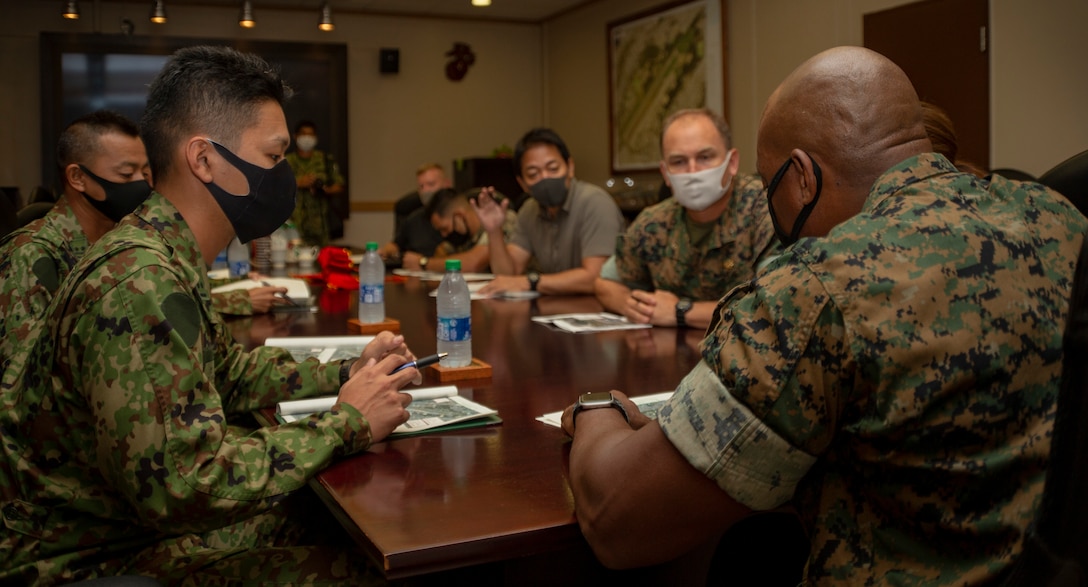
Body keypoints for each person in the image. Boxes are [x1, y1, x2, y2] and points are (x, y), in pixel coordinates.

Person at [560, 46, 1087, 585]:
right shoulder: (1059, 216)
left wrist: (597, 409)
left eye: (771, 191)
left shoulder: (817, 287)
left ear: (801, 179)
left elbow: (618, 523)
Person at [0, 45, 421, 585]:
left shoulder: (164, 250)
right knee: (369, 564)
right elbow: (184, 487)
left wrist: (347, 369)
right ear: (203, 160)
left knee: (335, 516)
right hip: (94, 556)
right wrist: (347, 423)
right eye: (273, 157)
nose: (284, 175)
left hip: (127, 525)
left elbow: (227, 372)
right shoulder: (139, 281)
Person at [0, 110, 152, 387]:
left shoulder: (122, 239)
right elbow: (23, 383)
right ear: (78, 178)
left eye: (144, 173)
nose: (141, 185)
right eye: (126, 174)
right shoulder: (30, 255)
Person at [595, 108, 780, 330]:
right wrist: (633, 307)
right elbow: (605, 284)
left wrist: (681, 312)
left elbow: (776, 302)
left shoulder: (768, 211)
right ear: (665, 173)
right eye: (679, 161)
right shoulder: (653, 222)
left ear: (732, 162)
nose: (693, 171)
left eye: (705, 157)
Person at [473, 128, 624, 296]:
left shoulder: (595, 203)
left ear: (570, 167)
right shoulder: (529, 210)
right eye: (533, 174)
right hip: (557, 310)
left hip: (600, 309)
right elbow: (509, 275)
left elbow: (596, 276)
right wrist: (494, 230)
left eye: (553, 169)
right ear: (522, 183)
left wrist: (531, 282)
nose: (545, 178)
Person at [401, 187, 518, 273]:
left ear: (459, 215)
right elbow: (442, 255)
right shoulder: (465, 239)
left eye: (445, 228)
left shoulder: (499, 219)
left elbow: (473, 264)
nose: (444, 235)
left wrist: (424, 262)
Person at [286, 120, 345, 247]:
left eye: (310, 134)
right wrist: (298, 183)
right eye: (303, 134)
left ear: (316, 137)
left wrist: (324, 190)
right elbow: (274, 188)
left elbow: (339, 185)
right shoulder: (286, 161)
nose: (307, 137)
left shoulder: (325, 159)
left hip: (320, 226)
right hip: (294, 224)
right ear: (295, 136)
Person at [378, 162, 449, 266]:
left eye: (431, 184)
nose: (425, 190)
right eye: (421, 187)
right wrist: (384, 251)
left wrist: (423, 262)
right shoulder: (414, 218)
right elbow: (395, 245)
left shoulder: (458, 218)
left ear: (447, 184)